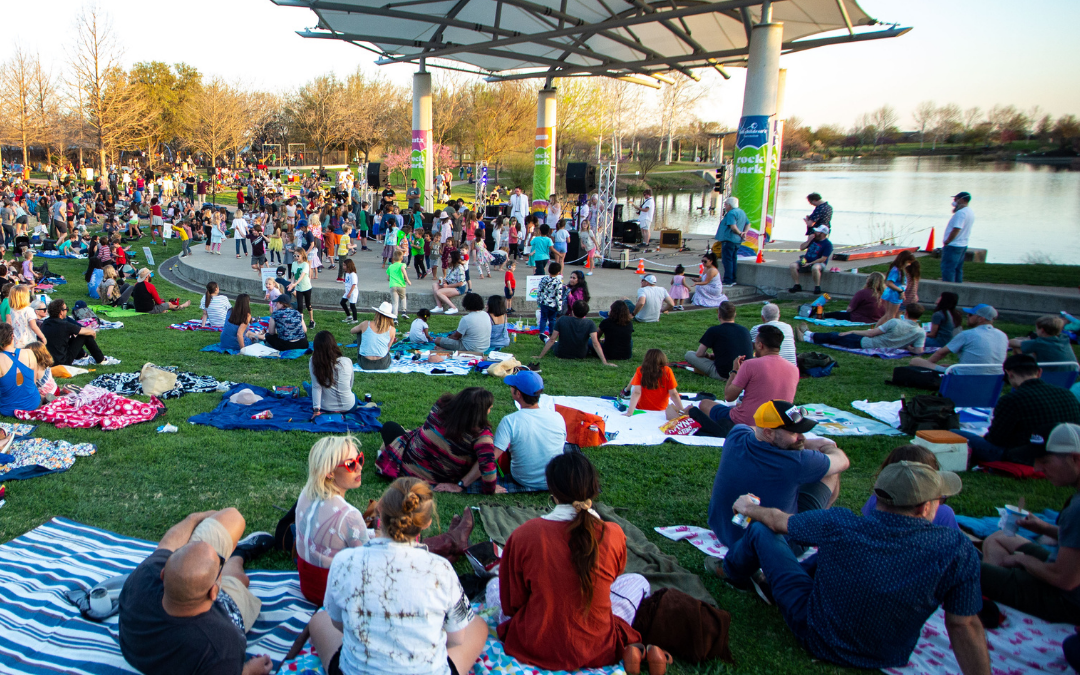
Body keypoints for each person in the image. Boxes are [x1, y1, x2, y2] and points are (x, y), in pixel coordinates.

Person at [713, 462, 988, 673]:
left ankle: (729, 571)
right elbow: (963, 624)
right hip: (887, 654)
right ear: (925, 507)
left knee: (761, 531)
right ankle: (756, 580)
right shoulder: (955, 548)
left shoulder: (842, 525)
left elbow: (775, 521)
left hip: (817, 633)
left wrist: (748, 508)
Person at [307, 478, 488, 675]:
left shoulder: (344, 561)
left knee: (320, 619)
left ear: (380, 509)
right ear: (427, 522)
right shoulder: (441, 569)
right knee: (477, 625)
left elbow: (338, 623)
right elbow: (456, 639)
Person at [493, 453, 652, 671]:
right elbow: (612, 579)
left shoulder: (524, 535)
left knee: (493, 585)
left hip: (534, 644)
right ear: (593, 486)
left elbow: (512, 605)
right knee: (638, 582)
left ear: (553, 491)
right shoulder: (613, 534)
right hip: (597, 647)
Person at [118, 508, 276, 675]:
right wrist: (250, 671)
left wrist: (193, 518)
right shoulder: (221, 646)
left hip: (143, 646)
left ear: (163, 573)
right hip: (226, 610)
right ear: (214, 592)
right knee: (240, 580)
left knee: (232, 518)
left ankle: (212, 568)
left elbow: (167, 544)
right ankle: (238, 555)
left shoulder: (144, 576)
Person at [706, 401, 848, 580]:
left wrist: (805, 443)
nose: (801, 437)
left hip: (724, 530)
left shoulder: (736, 435)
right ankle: (813, 526)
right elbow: (842, 461)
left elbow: (751, 428)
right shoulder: (796, 462)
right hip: (778, 544)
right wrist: (827, 446)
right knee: (830, 473)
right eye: (794, 432)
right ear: (768, 432)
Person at [980, 422, 1080, 624]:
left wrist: (1024, 561)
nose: (1037, 468)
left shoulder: (1077, 509)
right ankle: (1001, 590)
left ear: (1075, 458)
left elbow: (1065, 580)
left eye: (1045, 461)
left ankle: (998, 595)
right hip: (1066, 573)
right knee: (999, 538)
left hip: (1066, 601)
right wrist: (1045, 528)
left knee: (961, 565)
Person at [952, 354, 1080, 465]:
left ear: (1009, 374)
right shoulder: (1066, 393)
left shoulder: (1012, 399)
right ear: (1039, 372)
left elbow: (996, 440)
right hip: (1065, 452)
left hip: (1022, 456)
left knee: (955, 433)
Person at [376, 387, 501, 494]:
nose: (489, 411)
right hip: (435, 476)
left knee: (391, 428)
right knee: (392, 429)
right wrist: (490, 489)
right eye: (488, 408)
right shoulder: (481, 436)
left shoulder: (441, 406)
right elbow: (488, 467)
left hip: (408, 464)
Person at [294, 436, 367, 605]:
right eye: (351, 464)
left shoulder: (305, 494)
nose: (359, 467)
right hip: (334, 596)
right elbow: (368, 564)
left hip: (307, 587)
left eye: (360, 459)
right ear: (330, 473)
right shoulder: (349, 515)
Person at [695, 325, 799, 437]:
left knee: (705, 403)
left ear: (760, 345)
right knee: (740, 405)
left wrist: (734, 371)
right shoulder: (794, 369)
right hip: (779, 422)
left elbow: (729, 396)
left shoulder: (750, 364)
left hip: (748, 421)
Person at [491, 371, 567, 490]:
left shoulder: (510, 421)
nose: (510, 389)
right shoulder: (558, 417)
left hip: (524, 479)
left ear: (518, 394)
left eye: (512, 387)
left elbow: (491, 457)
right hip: (554, 479)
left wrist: (464, 483)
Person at [863, 445, 960, 529]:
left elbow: (866, 525)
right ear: (924, 508)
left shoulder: (875, 500)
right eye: (939, 498)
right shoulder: (944, 513)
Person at [910, 303, 1008, 373]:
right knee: (948, 366)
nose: (967, 317)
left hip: (965, 377)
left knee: (916, 361)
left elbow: (941, 353)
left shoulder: (968, 334)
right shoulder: (1003, 335)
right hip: (995, 377)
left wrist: (927, 365)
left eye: (970, 314)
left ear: (981, 318)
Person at [796, 303, 926, 355]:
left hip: (868, 343)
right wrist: (908, 347)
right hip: (876, 344)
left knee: (837, 336)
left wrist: (853, 331)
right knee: (837, 337)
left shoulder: (895, 323)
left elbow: (872, 333)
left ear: (906, 313)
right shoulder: (920, 332)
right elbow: (919, 351)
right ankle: (809, 335)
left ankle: (808, 335)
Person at [685, 301, 754, 380]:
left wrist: (708, 355)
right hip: (745, 374)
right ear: (735, 314)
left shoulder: (714, 330)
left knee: (689, 354)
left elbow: (699, 354)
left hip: (724, 374)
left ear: (719, 315)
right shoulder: (744, 330)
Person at [537, 300, 614, 365]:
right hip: (581, 354)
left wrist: (540, 356)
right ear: (586, 313)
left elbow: (552, 339)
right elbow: (595, 343)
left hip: (561, 352)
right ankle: (545, 338)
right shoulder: (590, 323)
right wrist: (604, 362)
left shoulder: (562, 319)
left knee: (553, 343)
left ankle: (544, 338)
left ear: (572, 311)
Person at [40, 299, 111, 366]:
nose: (67, 311)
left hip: (48, 360)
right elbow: (89, 332)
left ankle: (81, 355)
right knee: (85, 335)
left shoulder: (45, 323)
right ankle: (101, 359)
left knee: (72, 336)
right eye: (66, 309)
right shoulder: (65, 325)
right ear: (61, 312)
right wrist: (92, 333)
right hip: (62, 361)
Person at [624, 349, 683, 416]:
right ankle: (626, 390)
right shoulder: (667, 371)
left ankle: (626, 390)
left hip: (642, 406)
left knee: (635, 380)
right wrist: (682, 411)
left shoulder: (641, 370)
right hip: (661, 407)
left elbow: (636, 392)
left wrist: (630, 412)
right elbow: (674, 393)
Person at [310, 331, 356, 416]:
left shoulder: (314, 361)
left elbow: (316, 387)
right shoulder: (347, 361)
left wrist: (316, 410)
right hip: (349, 406)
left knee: (312, 387)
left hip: (326, 408)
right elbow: (350, 384)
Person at [0, 322, 41, 417]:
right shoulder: (29, 353)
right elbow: (33, 382)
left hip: (8, 409)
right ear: (12, 336)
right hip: (33, 405)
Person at [1010, 315, 1078, 368]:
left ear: (1042, 330)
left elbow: (1013, 343)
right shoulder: (1064, 338)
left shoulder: (1039, 343)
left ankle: (1014, 371)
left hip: (1048, 375)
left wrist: (1011, 340)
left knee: (1018, 347)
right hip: (1069, 376)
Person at [350, 302, 397, 371]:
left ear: (377, 313)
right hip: (383, 364)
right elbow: (388, 347)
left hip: (365, 363)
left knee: (360, 331)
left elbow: (352, 331)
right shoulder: (392, 329)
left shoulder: (366, 324)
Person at [787, 225, 833, 295]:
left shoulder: (828, 244)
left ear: (823, 234)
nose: (815, 232)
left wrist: (811, 263)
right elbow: (802, 248)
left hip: (818, 263)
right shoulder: (813, 240)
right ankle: (797, 285)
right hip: (806, 261)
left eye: (817, 232)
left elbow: (823, 259)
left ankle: (817, 286)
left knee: (815, 268)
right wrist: (809, 240)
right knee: (793, 265)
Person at [941, 191, 974, 283]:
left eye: (956, 199)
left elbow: (956, 229)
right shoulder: (969, 211)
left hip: (954, 245)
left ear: (962, 200)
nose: (954, 201)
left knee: (948, 268)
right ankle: (958, 286)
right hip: (963, 244)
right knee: (958, 269)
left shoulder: (961, 213)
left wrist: (948, 241)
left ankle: (948, 288)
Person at [714, 196, 749, 285]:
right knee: (733, 259)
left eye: (725, 204)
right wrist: (744, 232)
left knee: (727, 260)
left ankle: (728, 280)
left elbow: (733, 227)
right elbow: (748, 223)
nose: (725, 206)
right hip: (737, 241)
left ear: (729, 205)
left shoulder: (731, 213)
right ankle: (733, 279)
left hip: (729, 240)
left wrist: (740, 233)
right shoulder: (742, 212)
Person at [876, 250, 917, 325]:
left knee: (888, 315)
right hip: (894, 295)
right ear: (904, 260)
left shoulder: (898, 269)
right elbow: (889, 283)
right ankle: (890, 331)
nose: (909, 264)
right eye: (909, 262)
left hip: (891, 293)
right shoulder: (896, 270)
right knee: (891, 316)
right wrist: (900, 291)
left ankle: (877, 329)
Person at [286, 247, 315, 329]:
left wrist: (295, 284)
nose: (296, 257)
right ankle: (301, 323)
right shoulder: (294, 264)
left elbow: (302, 276)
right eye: (294, 255)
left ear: (302, 255)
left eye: (298, 256)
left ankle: (311, 320)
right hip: (299, 289)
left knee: (308, 304)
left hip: (306, 287)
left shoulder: (305, 264)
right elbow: (294, 276)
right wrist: (291, 284)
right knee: (300, 306)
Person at [431, 249, 467, 315]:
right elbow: (449, 278)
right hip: (449, 284)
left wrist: (447, 286)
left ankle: (453, 307)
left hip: (459, 288)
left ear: (454, 258)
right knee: (434, 285)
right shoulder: (451, 267)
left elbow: (460, 283)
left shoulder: (460, 268)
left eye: (450, 257)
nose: (448, 258)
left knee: (439, 292)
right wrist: (443, 281)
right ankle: (439, 306)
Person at [340, 259, 359, 324]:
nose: (343, 267)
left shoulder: (353, 274)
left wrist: (350, 293)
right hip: (347, 292)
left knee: (352, 305)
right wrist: (346, 291)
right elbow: (347, 283)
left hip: (352, 292)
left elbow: (354, 284)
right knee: (342, 302)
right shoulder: (347, 274)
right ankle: (349, 316)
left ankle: (355, 319)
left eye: (345, 265)